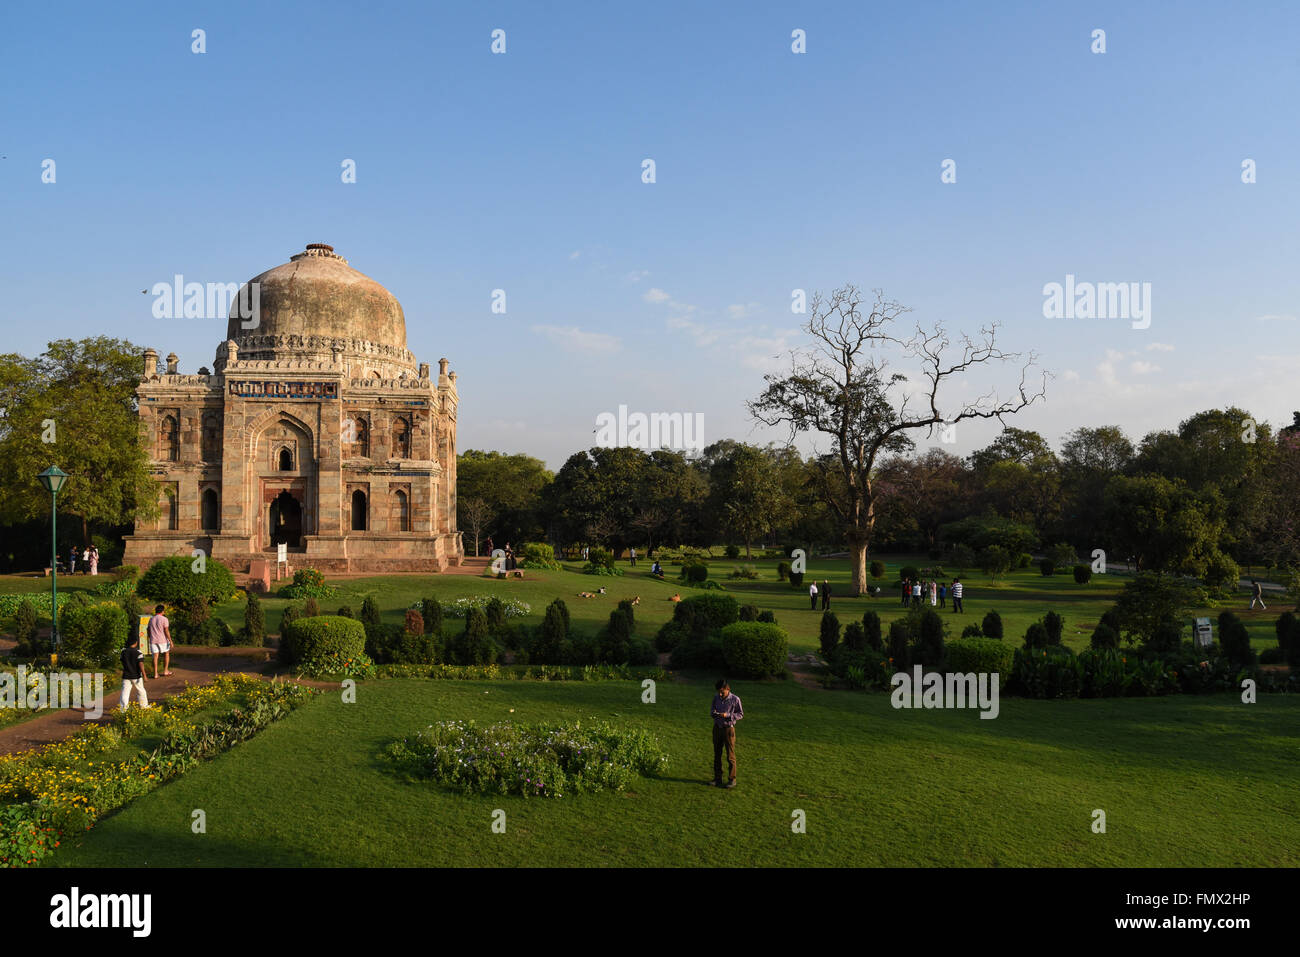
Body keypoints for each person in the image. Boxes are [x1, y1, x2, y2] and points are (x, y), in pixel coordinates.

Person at [710, 678, 743, 789]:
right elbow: (712, 710)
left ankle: (732, 779)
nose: (720, 694)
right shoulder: (716, 698)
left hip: (729, 730)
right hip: (717, 728)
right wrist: (714, 714)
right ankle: (717, 778)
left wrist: (727, 715)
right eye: (718, 691)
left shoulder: (735, 699)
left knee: (730, 756)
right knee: (717, 755)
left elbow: (740, 714)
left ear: (727, 689)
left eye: (722, 692)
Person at [120, 634, 149, 710]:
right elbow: (141, 664)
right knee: (141, 691)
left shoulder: (123, 652)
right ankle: (144, 706)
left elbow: (122, 661)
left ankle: (123, 709)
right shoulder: (138, 652)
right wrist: (144, 675)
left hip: (126, 675)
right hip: (136, 676)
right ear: (136, 643)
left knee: (125, 692)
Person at [147, 604, 173, 678]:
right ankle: (165, 671)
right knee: (166, 653)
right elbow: (166, 630)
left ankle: (155, 673)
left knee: (155, 656)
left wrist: (150, 637)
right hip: (163, 640)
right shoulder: (164, 619)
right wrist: (170, 640)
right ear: (162, 611)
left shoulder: (151, 619)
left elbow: (148, 629)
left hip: (153, 640)